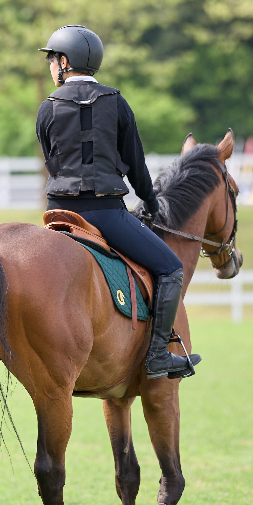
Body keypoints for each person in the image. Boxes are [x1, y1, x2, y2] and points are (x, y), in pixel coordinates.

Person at [35, 24, 199, 379]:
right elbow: (136, 164)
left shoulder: (47, 108)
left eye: (51, 59)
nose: (50, 66)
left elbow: (52, 160)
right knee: (171, 269)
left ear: (64, 62)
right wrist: (150, 201)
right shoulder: (117, 103)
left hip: (57, 213)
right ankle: (158, 355)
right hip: (105, 214)